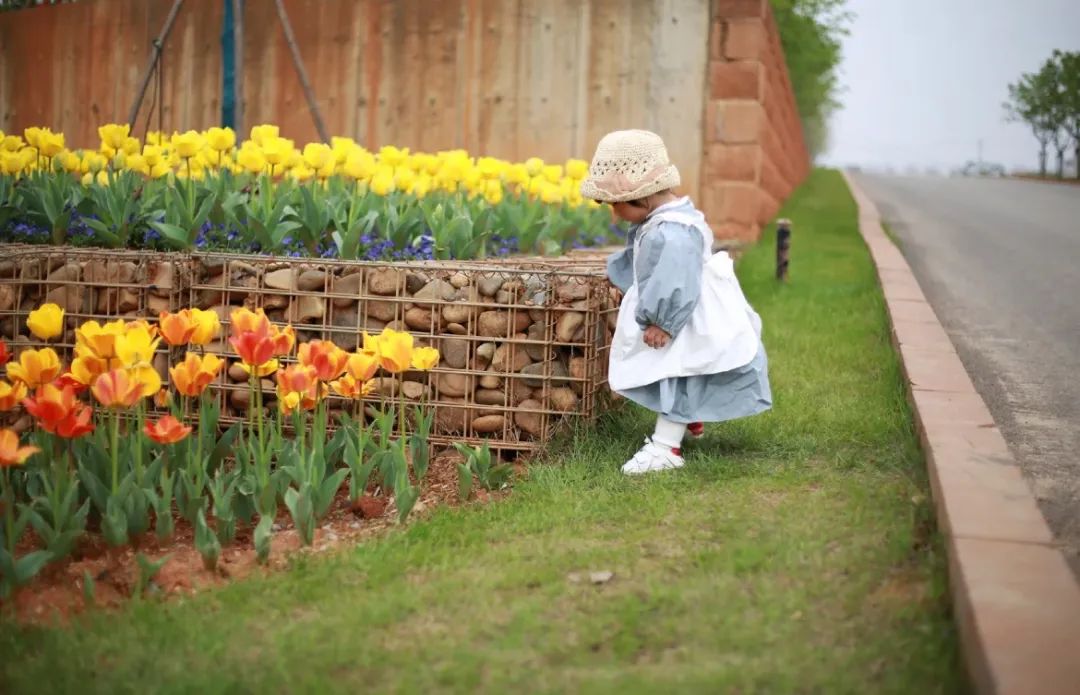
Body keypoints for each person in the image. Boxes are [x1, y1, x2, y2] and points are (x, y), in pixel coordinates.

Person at [580, 130, 772, 475]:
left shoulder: (671, 233)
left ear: (641, 197)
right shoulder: (670, 218)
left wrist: (662, 320)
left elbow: (673, 278)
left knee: (677, 371)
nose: (612, 214)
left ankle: (665, 447)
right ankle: (690, 418)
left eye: (614, 204)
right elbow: (645, 261)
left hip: (684, 313)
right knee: (690, 367)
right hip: (689, 307)